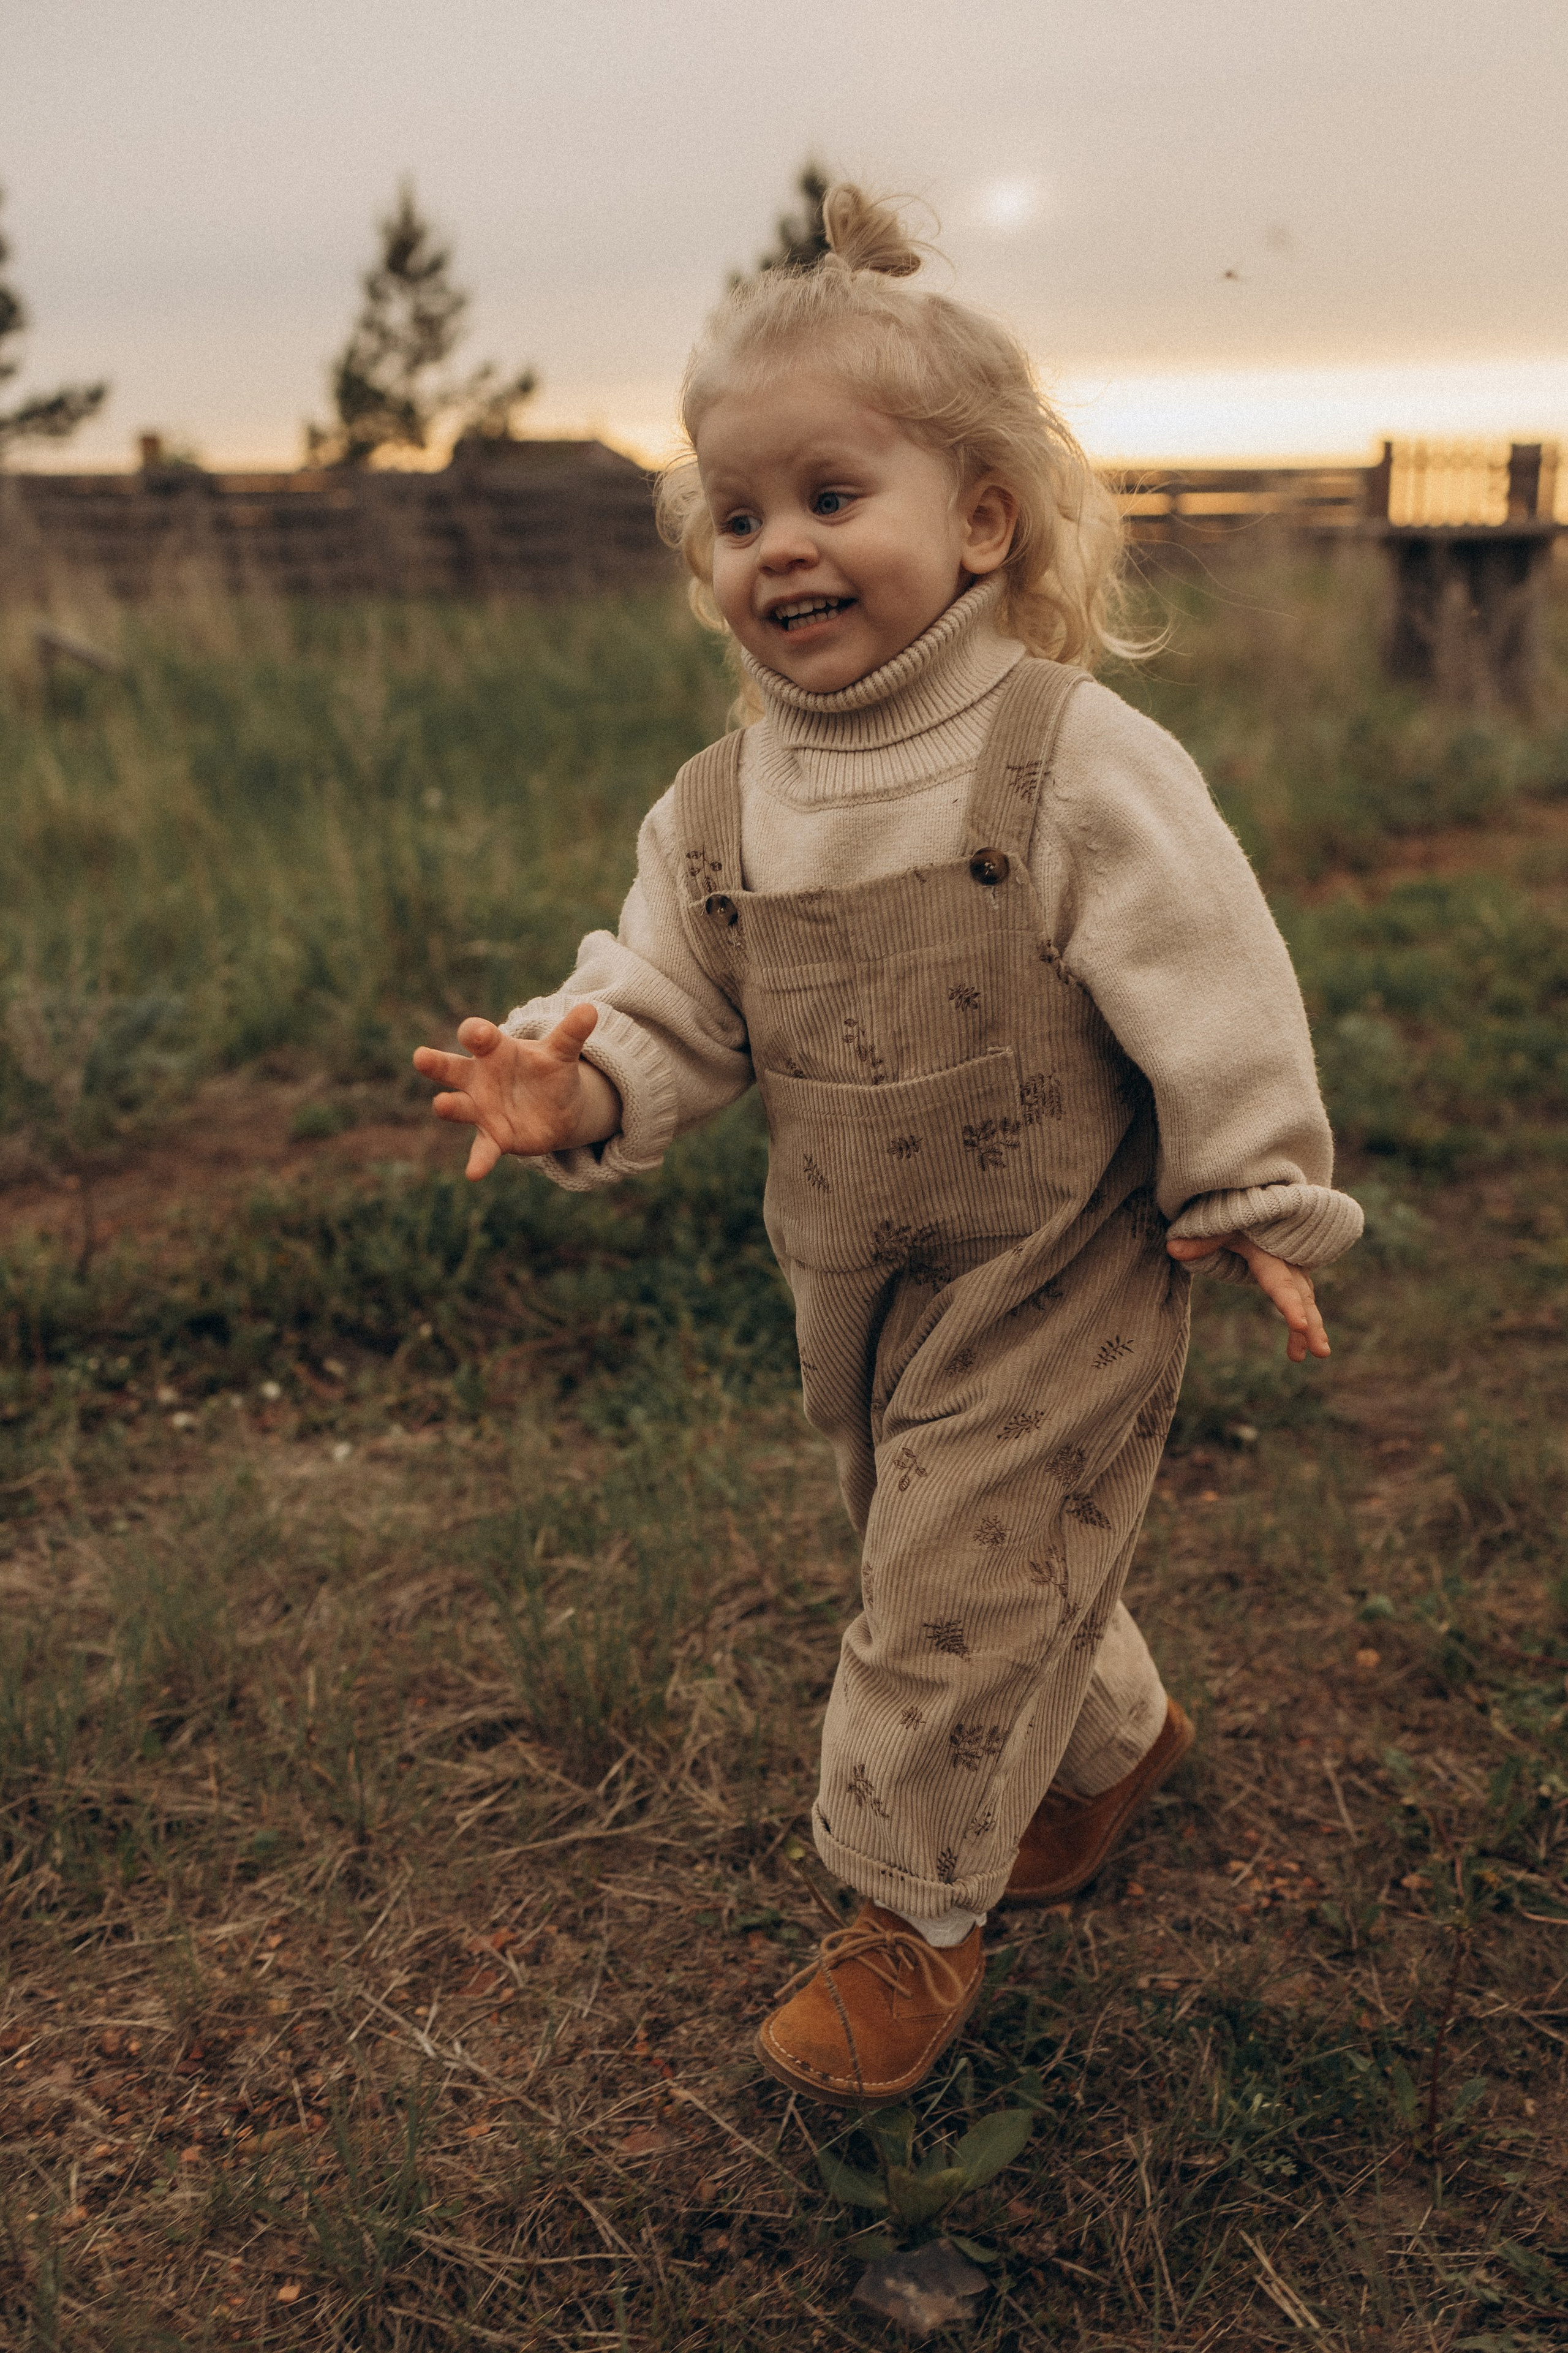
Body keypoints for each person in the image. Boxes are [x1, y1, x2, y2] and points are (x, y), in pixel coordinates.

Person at [413, 185, 1361, 2109]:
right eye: (739, 514)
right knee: (947, 1532)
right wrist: (573, 1083)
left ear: (981, 520)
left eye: (832, 496)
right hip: (859, 1269)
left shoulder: (1068, 755)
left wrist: (1257, 1179)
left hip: (1071, 1258)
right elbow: (667, 1005)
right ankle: (1114, 1749)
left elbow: (1210, 966)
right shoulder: (719, 808)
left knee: (943, 1588)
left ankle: (907, 1916)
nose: (781, 547)